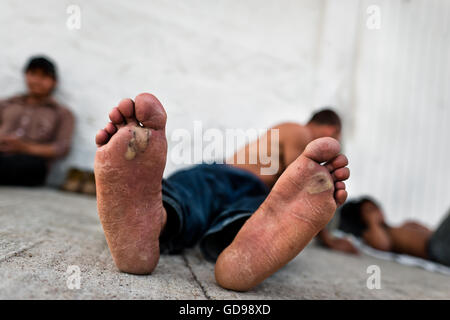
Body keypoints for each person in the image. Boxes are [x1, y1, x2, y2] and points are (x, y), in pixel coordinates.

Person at [94, 93, 350, 291]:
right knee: (254, 215)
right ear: (331, 129)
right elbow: (299, 183)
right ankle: (237, 252)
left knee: (189, 199)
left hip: (220, 178)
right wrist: (325, 237)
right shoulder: (299, 131)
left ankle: (158, 222)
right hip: (243, 183)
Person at [0, 56, 75, 186]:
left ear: (54, 82)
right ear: (26, 75)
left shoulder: (62, 113)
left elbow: (62, 148)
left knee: (27, 165)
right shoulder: (6, 104)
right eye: (33, 74)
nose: (37, 81)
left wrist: (24, 147)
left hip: (31, 163)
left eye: (44, 76)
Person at [338, 197, 450, 266]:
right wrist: (373, 223)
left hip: (440, 244)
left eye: (376, 207)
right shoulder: (373, 234)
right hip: (435, 250)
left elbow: (433, 233)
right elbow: (383, 245)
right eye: (370, 210)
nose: (377, 212)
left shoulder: (404, 226)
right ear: (362, 220)